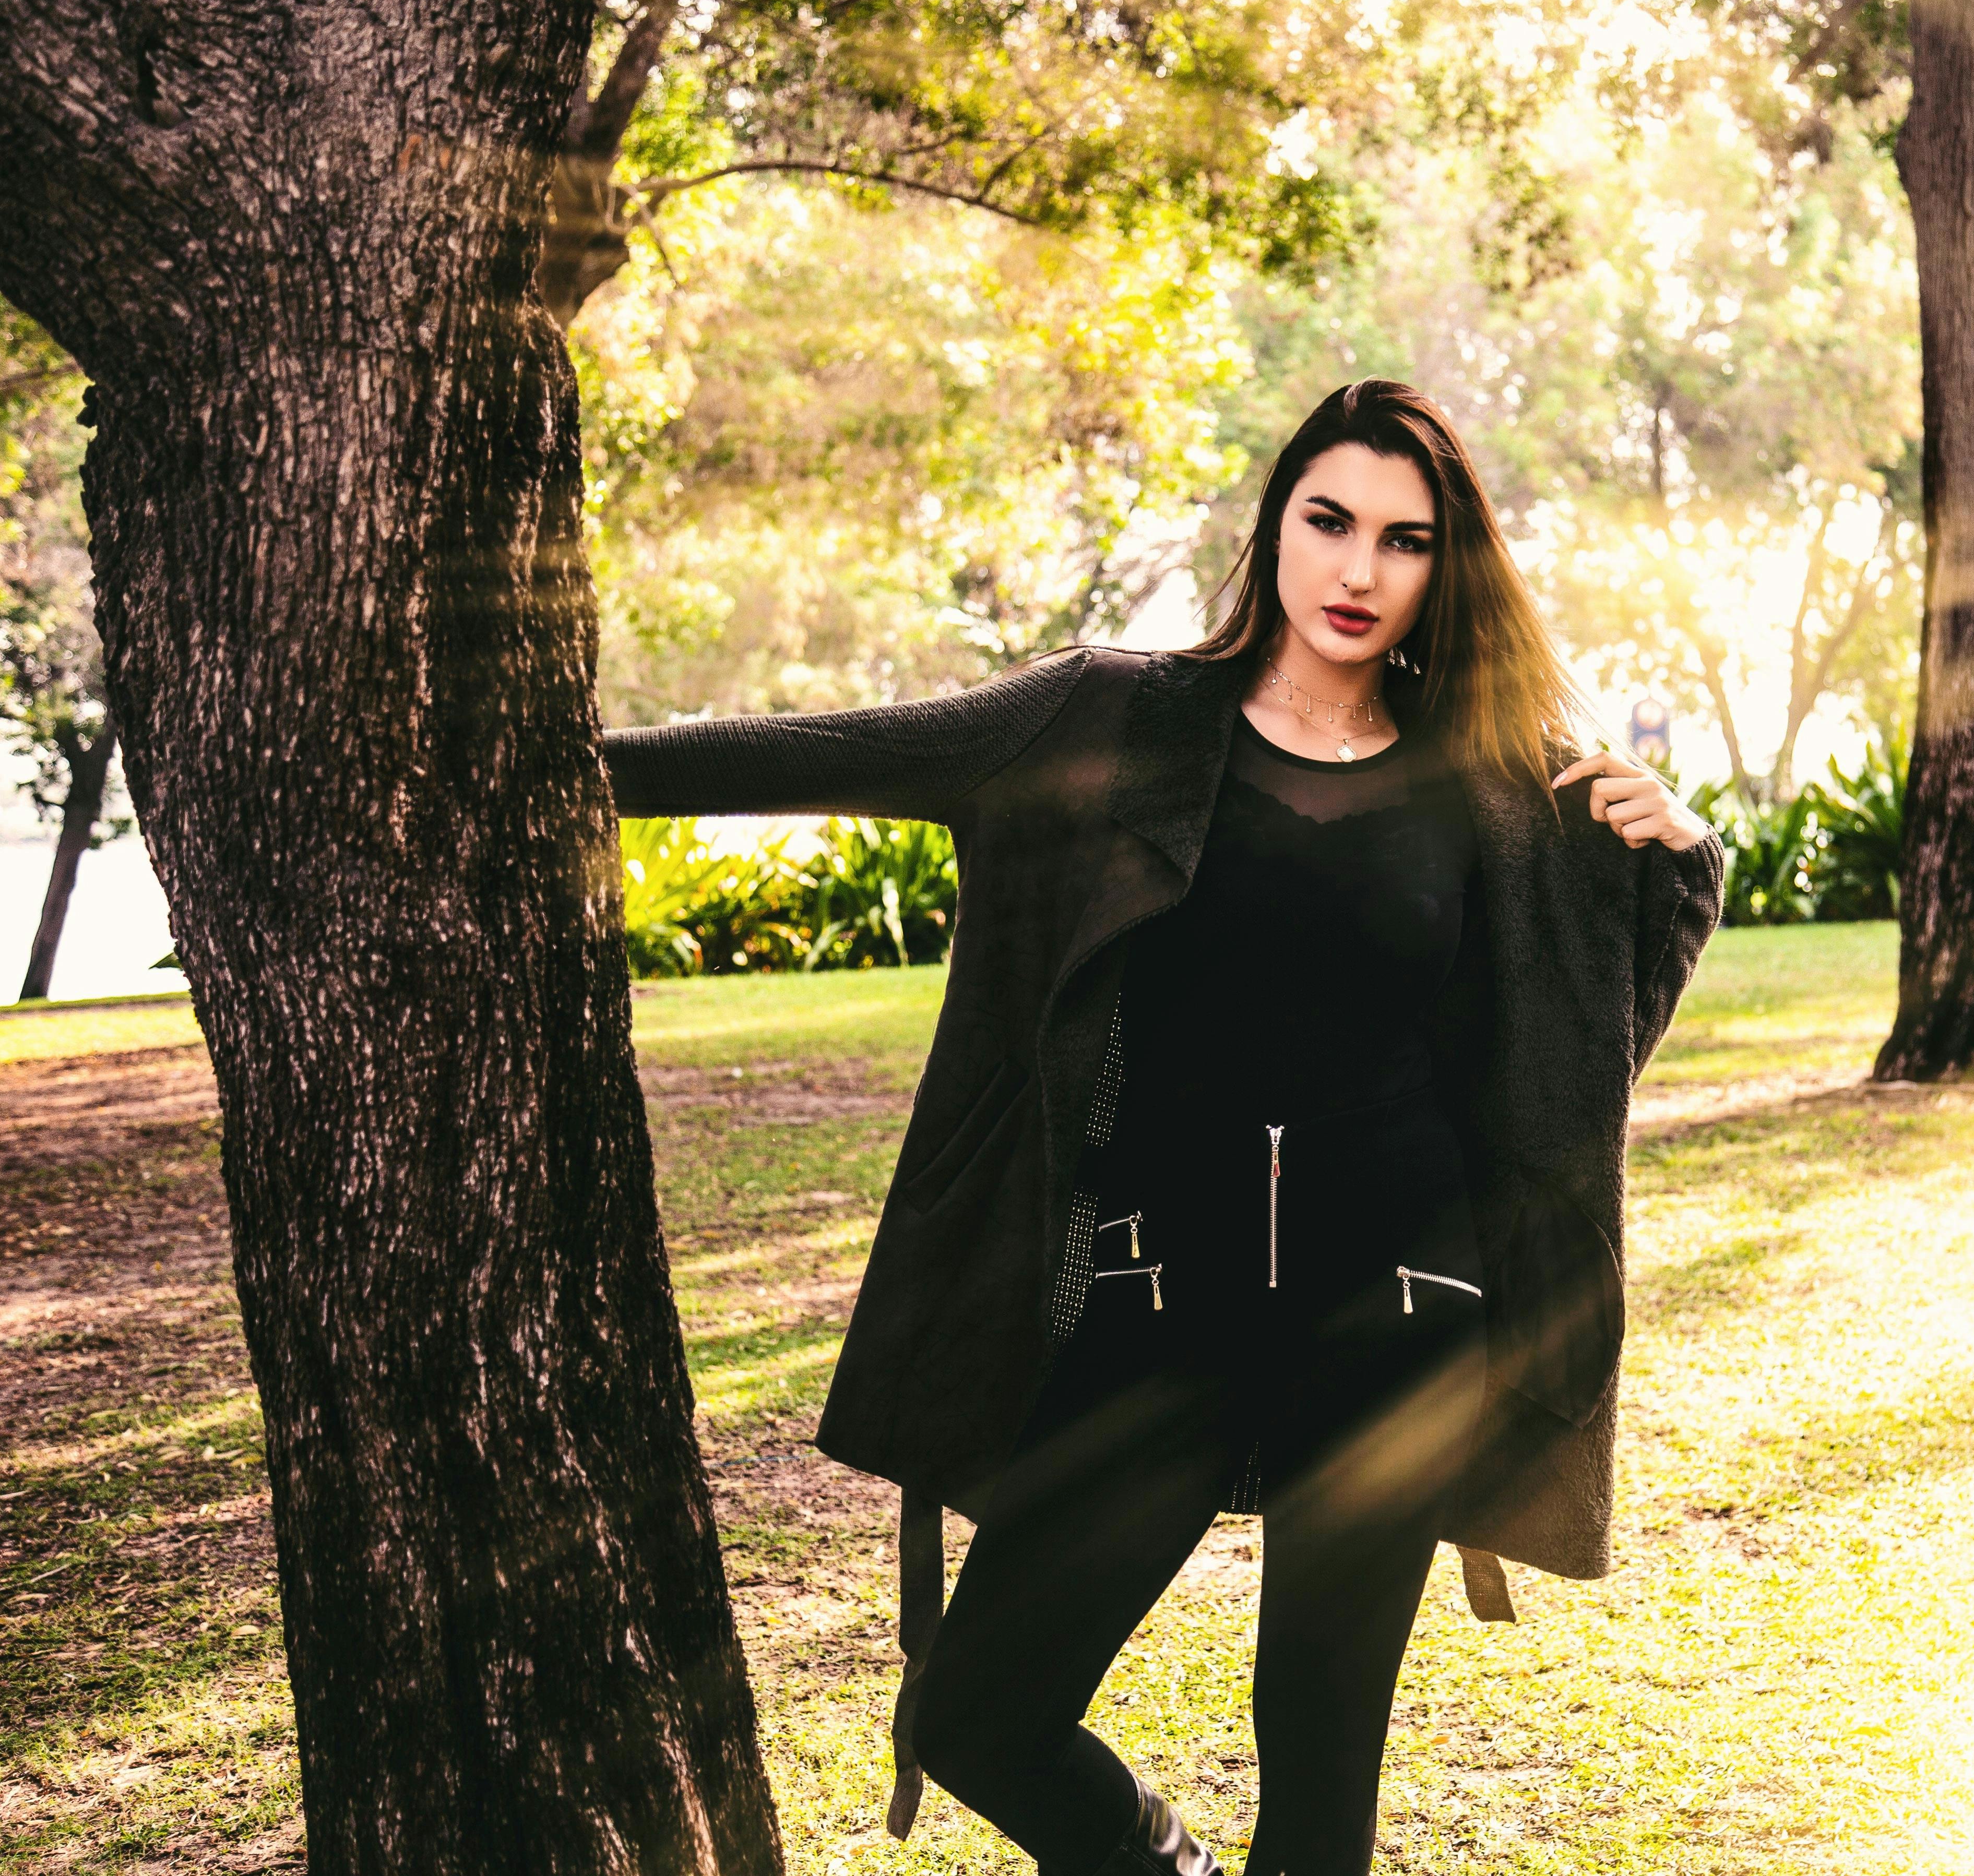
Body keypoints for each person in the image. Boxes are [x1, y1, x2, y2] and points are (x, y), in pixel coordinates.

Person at [604, 379, 1724, 1876]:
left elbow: (1578, 1064)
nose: (1357, 571)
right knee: (983, 1714)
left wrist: (1684, 859)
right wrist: (582, 770)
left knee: (1320, 1782)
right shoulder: (1119, 718)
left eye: (1403, 541)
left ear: (1442, 568)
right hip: (1154, 1303)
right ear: (1274, 530)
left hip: (1398, 1318)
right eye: (1328, 523)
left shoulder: (1502, 782)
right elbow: (836, 749)